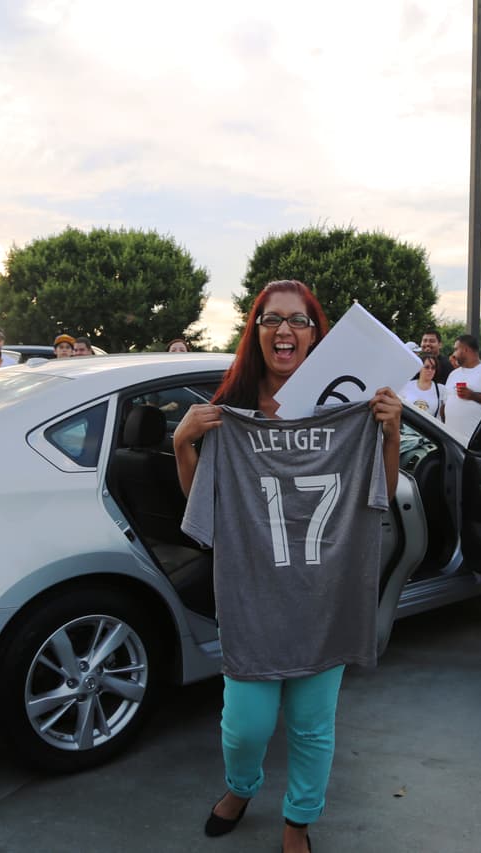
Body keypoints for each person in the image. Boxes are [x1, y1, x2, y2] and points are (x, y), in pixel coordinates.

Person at [173, 279, 401, 853]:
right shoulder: (232, 414)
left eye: (298, 320)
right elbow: (205, 511)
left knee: (312, 726)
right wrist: (183, 445)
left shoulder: (346, 409)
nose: (285, 330)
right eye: (272, 319)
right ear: (256, 331)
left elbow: (378, 497)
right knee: (244, 727)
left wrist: (391, 433)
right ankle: (241, 786)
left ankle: (298, 821)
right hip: (252, 598)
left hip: (326, 597)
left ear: (316, 334)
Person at [440, 335, 481, 443]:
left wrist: (473, 395)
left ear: (465, 350)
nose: (453, 354)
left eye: (456, 349)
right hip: (452, 440)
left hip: (474, 441)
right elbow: (445, 403)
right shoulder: (454, 374)